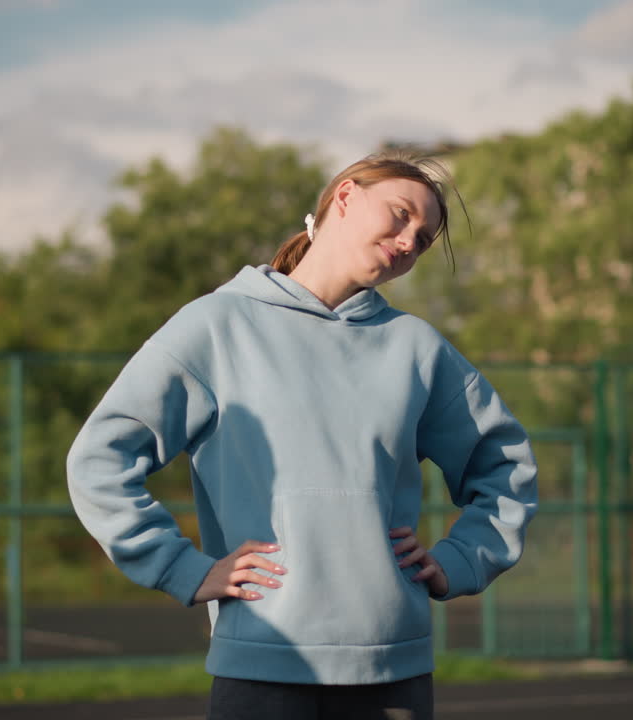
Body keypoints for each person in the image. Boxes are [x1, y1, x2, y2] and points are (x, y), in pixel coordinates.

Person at [67, 151, 538, 719]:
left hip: (392, 671)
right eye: (400, 214)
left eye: (426, 236)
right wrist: (181, 568)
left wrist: (460, 558)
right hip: (263, 668)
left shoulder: (417, 348)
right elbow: (99, 460)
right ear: (344, 197)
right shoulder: (217, 325)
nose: (411, 239)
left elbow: (505, 466)